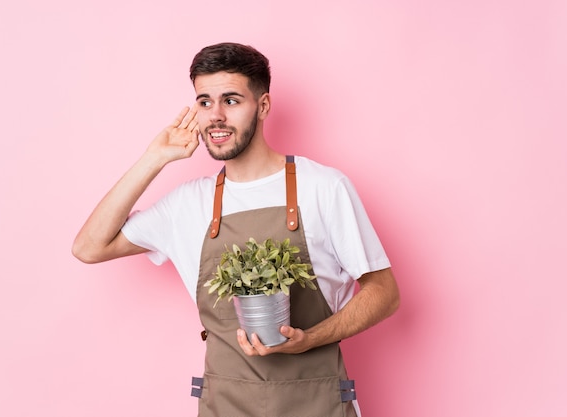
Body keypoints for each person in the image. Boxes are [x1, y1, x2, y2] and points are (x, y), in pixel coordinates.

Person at [72, 42, 400, 417]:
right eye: (204, 102)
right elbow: (89, 247)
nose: (215, 116)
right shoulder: (189, 204)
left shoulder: (322, 187)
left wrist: (310, 339)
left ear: (262, 106)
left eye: (231, 101)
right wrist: (154, 158)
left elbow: (384, 292)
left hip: (317, 403)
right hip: (225, 405)